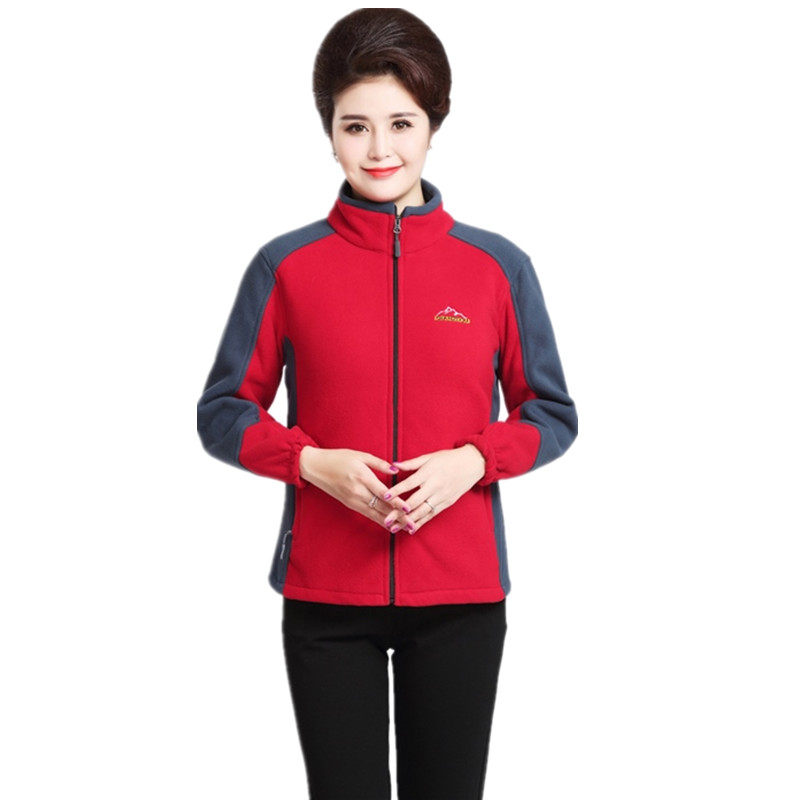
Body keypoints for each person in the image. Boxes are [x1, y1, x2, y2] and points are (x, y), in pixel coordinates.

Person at [196, 8, 578, 799]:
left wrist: (474, 460)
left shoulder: (497, 267)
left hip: (461, 596)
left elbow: (551, 413)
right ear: (329, 133)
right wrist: (309, 462)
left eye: (401, 123)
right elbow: (224, 410)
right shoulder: (285, 266)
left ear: (434, 125)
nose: (379, 149)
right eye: (355, 126)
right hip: (327, 599)